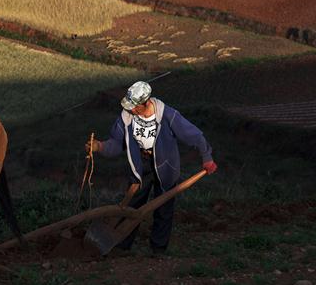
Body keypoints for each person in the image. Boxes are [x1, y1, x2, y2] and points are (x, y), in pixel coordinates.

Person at [86, 81, 217, 254]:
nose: (131, 110)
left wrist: (207, 157)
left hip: (166, 165)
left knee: (164, 207)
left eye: (135, 107)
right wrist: (100, 146)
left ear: (146, 102)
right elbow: (116, 143)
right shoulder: (126, 118)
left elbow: (194, 135)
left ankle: (158, 250)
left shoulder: (168, 115)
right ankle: (122, 246)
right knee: (132, 205)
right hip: (140, 165)